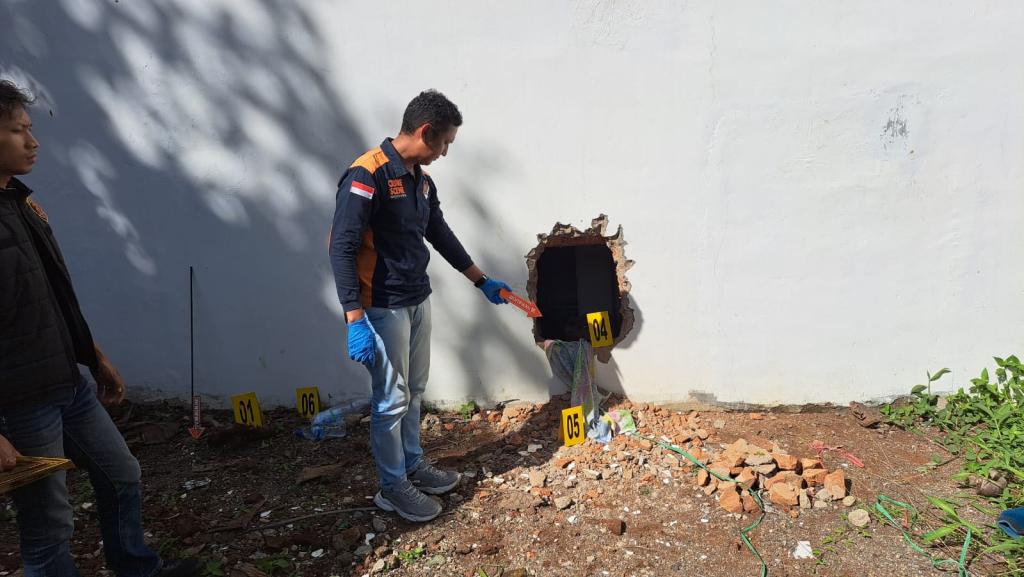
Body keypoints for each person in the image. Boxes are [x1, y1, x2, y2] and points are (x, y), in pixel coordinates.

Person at [0, 80, 198, 577]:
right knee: (48, 524)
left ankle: (137, 569)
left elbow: (52, 297)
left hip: (68, 383)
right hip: (21, 402)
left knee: (121, 473)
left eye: (30, 129)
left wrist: (94, 356)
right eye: (17, 130)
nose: (33, 140)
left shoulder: (20, 205)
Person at [330, 90, 511, 522]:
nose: (446, 152)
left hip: (416, 299)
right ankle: (392, 488)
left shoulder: (421, 180)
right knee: (390, 400)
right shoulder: (367, 173)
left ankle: (412, 466)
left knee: (413, 394)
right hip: (381, 306)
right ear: (425, 131)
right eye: (445, 142)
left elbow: (440, 233)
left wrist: (480, 280)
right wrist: (354, 317)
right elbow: (342, 246)